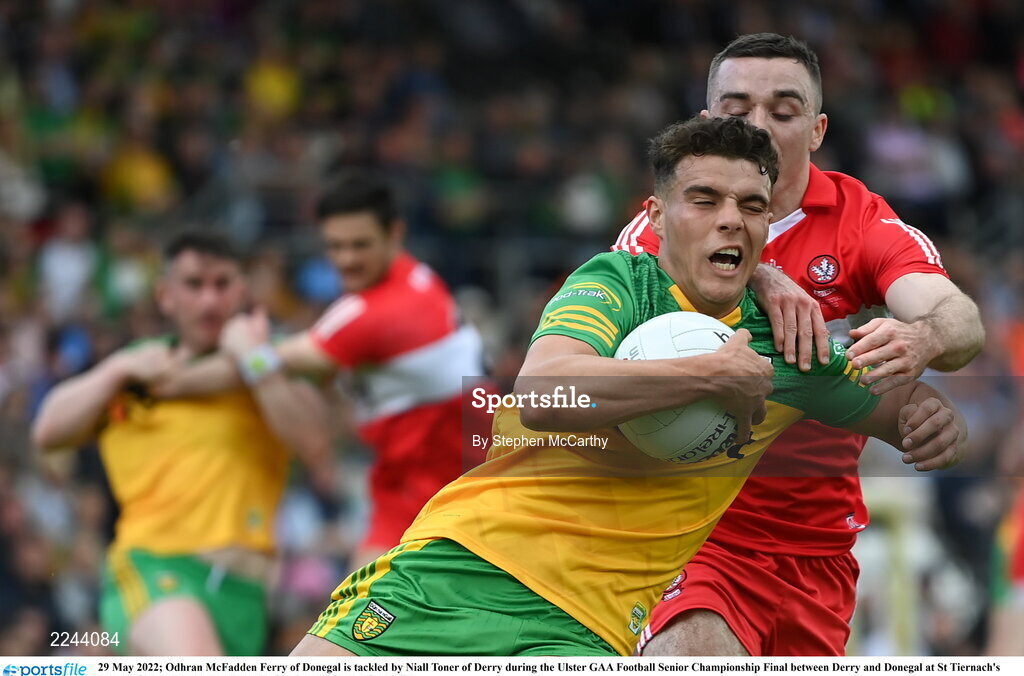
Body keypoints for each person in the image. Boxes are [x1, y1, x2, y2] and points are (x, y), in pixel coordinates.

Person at [291, 116, 966, 657]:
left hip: (584, 630)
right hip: (457, 564)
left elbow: (904, 409)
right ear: (658, 214)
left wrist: (936, 417)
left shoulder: (788, 346)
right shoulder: (616, 283)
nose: (731, 218)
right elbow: (542, 394)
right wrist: (706, 375)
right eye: (704, 199)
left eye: (751, 206)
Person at [612, 34, 985, 656]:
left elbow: (958, 319)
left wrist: (924, 339)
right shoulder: (669, 218)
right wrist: (761, 270)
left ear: (816, 130)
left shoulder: (861, 220)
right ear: (709, 123)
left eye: (783, 113)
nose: (757, 126)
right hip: (694, 533)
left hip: (817, 549)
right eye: (737, 111)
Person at [153, 169, 488, 569]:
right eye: (336, 246)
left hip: (447, 504)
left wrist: (168, 379)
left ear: (395, 235)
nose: (346, 259)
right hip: (419, 491)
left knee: (353, 625)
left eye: (360, 245)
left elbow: (261, 363)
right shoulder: (417, 278)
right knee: (353, 621)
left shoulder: (371, 313)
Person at [31, 233, 332, 656]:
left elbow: (316, 444)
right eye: (194, 285)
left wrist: (254, 359)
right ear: (166, 295)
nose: (209, 300)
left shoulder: (268, 362)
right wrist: (115, 369)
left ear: (242, 291)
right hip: (156, 567)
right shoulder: (136, 370)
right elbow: (47, 431)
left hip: (246, 594)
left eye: (222, 284)